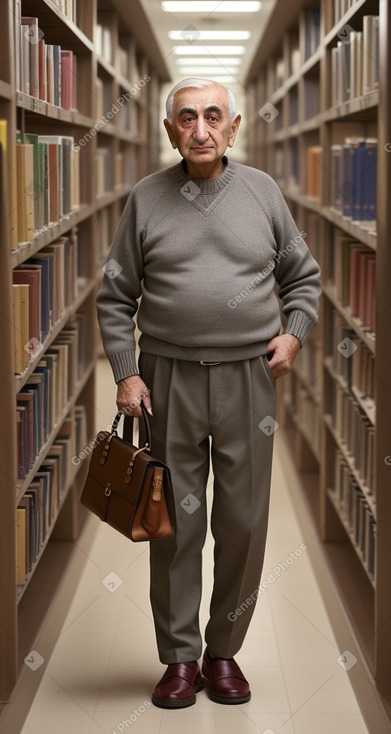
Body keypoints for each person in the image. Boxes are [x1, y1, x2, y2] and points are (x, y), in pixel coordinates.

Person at [96, 77, 321, 709]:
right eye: (187, 118)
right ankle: (179, 657)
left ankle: (224, 653)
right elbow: (115, 297)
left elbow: (303, 277)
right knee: (176, 524)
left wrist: (294, 335)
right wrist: (126, 370)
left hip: (250, 376)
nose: (201, 129)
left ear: (234, 125)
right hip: (167, 380)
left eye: (213, 117)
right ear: (170, 131)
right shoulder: (145, 199)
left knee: (244, 522)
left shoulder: (263, 193)